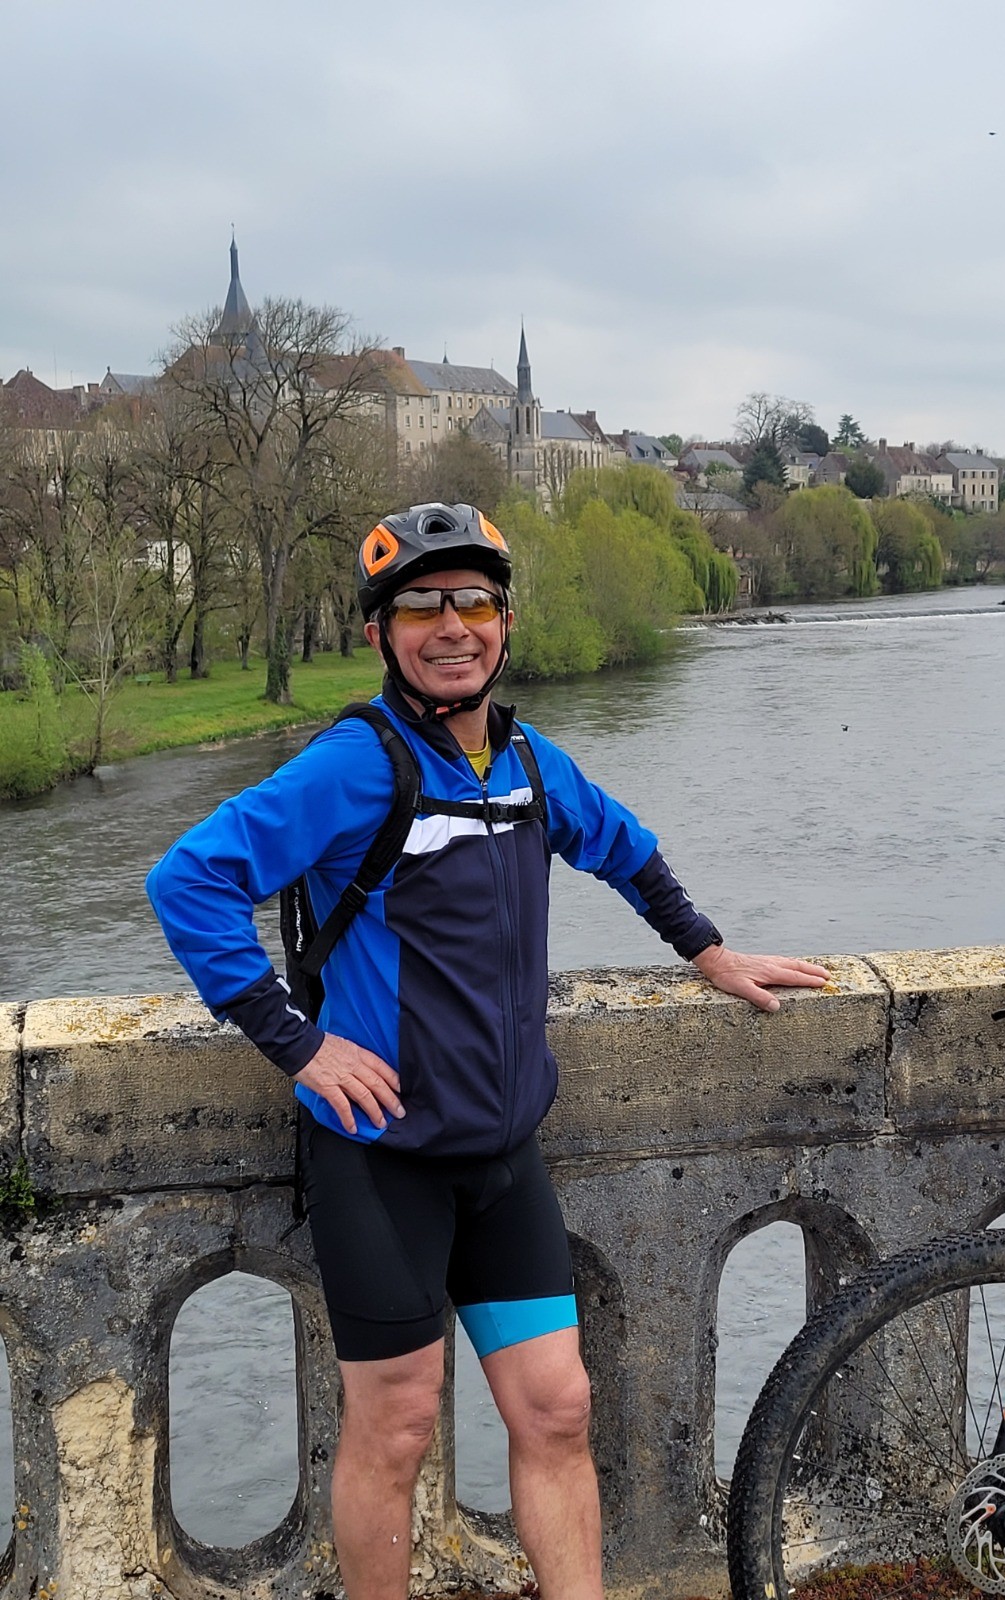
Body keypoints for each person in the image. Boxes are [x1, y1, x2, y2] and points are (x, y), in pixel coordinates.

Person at [146, 502, 830, 1600]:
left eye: (473, 600)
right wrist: (297, 1044)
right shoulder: (355, 766)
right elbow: (188, 881)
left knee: (557, 1408)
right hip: (382, 1156)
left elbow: (625, 847)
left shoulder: (527, 761)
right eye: (421, 606)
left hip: (504, 1156)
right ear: (379, 633)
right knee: (397, 1422)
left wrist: (708, 950)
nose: (452, 625)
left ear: (505, 622)